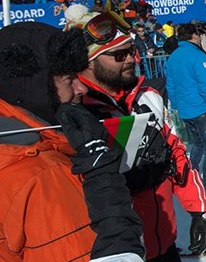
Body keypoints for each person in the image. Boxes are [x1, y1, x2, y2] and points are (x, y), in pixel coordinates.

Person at [68, 12, 206, 261]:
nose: (131, 59)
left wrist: (199, 209)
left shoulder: (148, 97)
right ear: (89, 61)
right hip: (116, 250)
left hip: (164, 242)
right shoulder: (74, 110)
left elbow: (177, 154)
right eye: (119, 55)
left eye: (132, 50)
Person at [0, 22, 144, 262]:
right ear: (35, 90)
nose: (81, 89)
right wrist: (103, 176)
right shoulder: (43, 175)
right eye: (69, 80)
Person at [166, 23, 206, 193]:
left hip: (186, 111)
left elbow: (170, 86)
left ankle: (189, 175)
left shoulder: (172, 57)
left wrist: (177, 106)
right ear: (194, 36)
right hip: (203, 109)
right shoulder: (198, 56)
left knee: (197, 144)